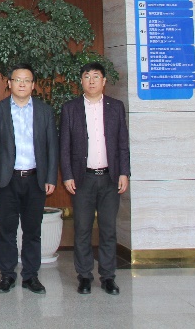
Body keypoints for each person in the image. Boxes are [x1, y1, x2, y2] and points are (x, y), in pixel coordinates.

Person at [60, 62, 131, 296]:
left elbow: (122, 143)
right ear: (81, 81)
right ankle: (84, 276)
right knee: (82, 229)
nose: (91, 81)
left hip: (110, 178)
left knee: (108, 229)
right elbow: (64, 146)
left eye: (96, 76)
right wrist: (67, 175)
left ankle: (108, 277)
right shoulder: (70, 108)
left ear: (104, 81)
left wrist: (124, 172)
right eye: (87, 76)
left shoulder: (116, 107)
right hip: (83, 179)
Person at [0, 63, 59, 294]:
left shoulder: (44, 111)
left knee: (32, 230)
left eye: (27, 80)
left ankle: (30, 276)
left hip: (35, 179)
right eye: (17, 80)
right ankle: (7, 275)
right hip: (7, 179)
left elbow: (52, 146)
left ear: (33, 85)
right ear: (9, 83)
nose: (22, 84)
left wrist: (50, 177)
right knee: (7, 230)